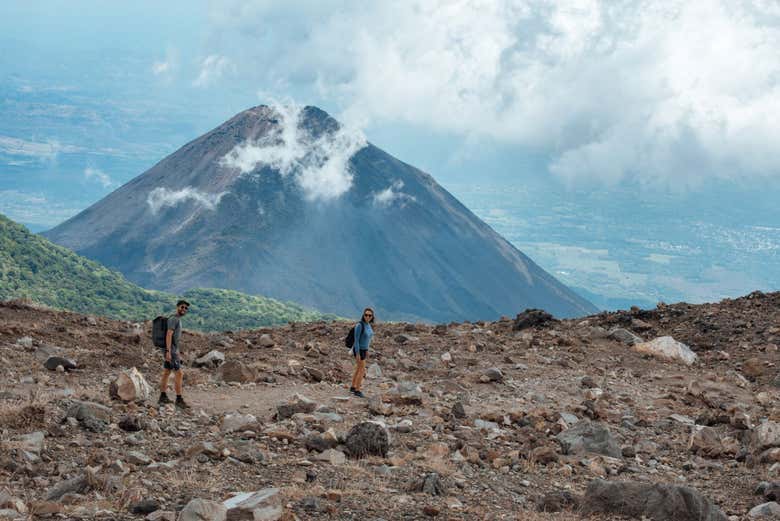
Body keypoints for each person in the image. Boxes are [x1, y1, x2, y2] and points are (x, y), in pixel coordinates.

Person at [159, 299, 190, 409]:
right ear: (177, 307)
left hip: (172, 349)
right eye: (182, 307)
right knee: (179, 373)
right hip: (170, 350)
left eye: (186, 308)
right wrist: (168, 351)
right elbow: (169, 334)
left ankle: (162, 396)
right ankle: (179, 399)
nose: (184, 309)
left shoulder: (176, 319)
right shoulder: (174, 319)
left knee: (167, 372)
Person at [349, 307, 375, 398]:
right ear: (363, 315)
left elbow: (367, 339)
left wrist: (367, 350)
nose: (367, 317)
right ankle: (357, 390)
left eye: (370, 315)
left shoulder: (368, 325)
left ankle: (353, 387)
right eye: (366, 315)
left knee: (358, 368)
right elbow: (356, 340)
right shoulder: (360, 325)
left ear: (372, 316)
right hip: (359, 350)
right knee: (362, 370)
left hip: (364, 350)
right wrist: (357, 353)